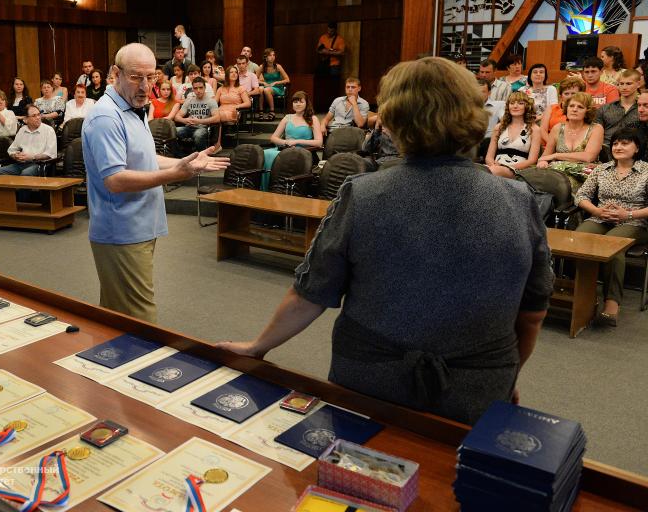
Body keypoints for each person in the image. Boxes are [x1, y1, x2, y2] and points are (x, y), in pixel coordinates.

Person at [217, 57, 553, 425]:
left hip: (369, 388)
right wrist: (505, 378)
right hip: (478, 390)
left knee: (358, 478)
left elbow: (310, 294)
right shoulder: (519, 201)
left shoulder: (362, 194)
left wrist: (258, 347)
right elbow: (532, 314)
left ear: (392, 122)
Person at [82, 43, 229, 323]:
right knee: (140, 320)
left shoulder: (132, 108)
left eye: (151, 77)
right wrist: (176, 174)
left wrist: (184, 163)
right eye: (137, 77)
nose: (146, 86)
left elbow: (145, 159)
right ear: (116, 73)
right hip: (122, 230)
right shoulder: (106, 117)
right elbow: (115, 179)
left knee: (119, 314)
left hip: (139, 226)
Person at [575, 126, 648, 326]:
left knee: (612, 246)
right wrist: (596, 211)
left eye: (625, 143)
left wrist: (628, 213)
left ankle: (612, 303)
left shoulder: (646, 171)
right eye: (615, 143)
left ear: (637, 148)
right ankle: (583, 295)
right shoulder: (602, 169)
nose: (618, 146)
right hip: (601, 218)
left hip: (634, 221)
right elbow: (581, 196)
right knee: (579, 238)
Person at [537, 92, 604, 188]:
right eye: (571, 106)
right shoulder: (557, 128)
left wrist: (556, 155)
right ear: (566, 108)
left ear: (587, 112)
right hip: (559, 175)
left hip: (585, 175)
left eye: (580, 107)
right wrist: (543, 163)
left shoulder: (596, 128)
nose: (574, 109)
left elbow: (588, 157)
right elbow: (545, 157)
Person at [261, 91, 322, 189]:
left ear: (307, 103)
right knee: (266, 154)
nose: (298, 104)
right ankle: (271, 187)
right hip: (286, 149)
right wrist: (285, 142)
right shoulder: (287, 117)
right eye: (295, 102)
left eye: (301, 102)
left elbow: (319, 142)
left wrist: (297, 141)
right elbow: (273, 138)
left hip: (304, 152)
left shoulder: (313, 119)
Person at [485, 92, 541, 178]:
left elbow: (532, 160)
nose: (515, 106)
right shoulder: (499, 127)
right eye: (512, 103)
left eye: (520, 103)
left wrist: (507, 167)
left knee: (492, 172)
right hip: (495, 167)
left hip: (518, 170)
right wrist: (493, 165)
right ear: (508, 106)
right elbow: (489, 157)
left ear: (527, 107)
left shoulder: (534, 129)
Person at [0, 104, 57, 176]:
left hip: (39, 164)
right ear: (25, 119)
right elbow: (12, 149)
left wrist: (32, 157)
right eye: (34, 116)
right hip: (21, 164)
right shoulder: (22, 130)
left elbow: (50, 154)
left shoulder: (48, 130)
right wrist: (15, 155)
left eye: (39, 114)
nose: (38, 117)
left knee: (26, 173)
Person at [596, 69, 641, 144]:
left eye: (628, 84)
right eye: (621, 84)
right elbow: (595, 134)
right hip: (605, 149)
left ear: (638, 84)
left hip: (634, 150)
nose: (624, 87)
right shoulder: (605, 108)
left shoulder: (642, 109)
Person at [175, 77, 221, 152]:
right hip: (189, 127)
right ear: (192, 89)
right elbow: (177, 117)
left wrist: (199, 121)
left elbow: (217, 118)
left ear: (205, 87)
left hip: (203, 127)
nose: (198, 90)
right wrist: (184, 120)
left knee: (198, 135)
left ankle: (202, 154)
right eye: (195, 88)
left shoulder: (211, 101)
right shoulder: (189, 100)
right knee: (174, 131)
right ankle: (181, 155)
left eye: (200, 88)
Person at [540, 76, 585, 145]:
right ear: (561, 96)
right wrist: (554, 145)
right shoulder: (551, 108)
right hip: (549, 145)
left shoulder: (583, 110)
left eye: (573, 93)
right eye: (566, 93)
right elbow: (543, 130)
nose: (570, 96)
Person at [257, 48, 290, 120]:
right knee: (260, 89)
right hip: (267, 86)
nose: (272, 57)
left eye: (273, 55)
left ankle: (272, 111)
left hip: (277, 87)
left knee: (266, 90)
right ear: (265, 57)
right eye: (270, 55)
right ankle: (261, 112)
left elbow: (287, 80)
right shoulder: (261, 67)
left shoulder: (278, 66)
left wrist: (276, 82)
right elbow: (255, 80)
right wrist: (263, 83)